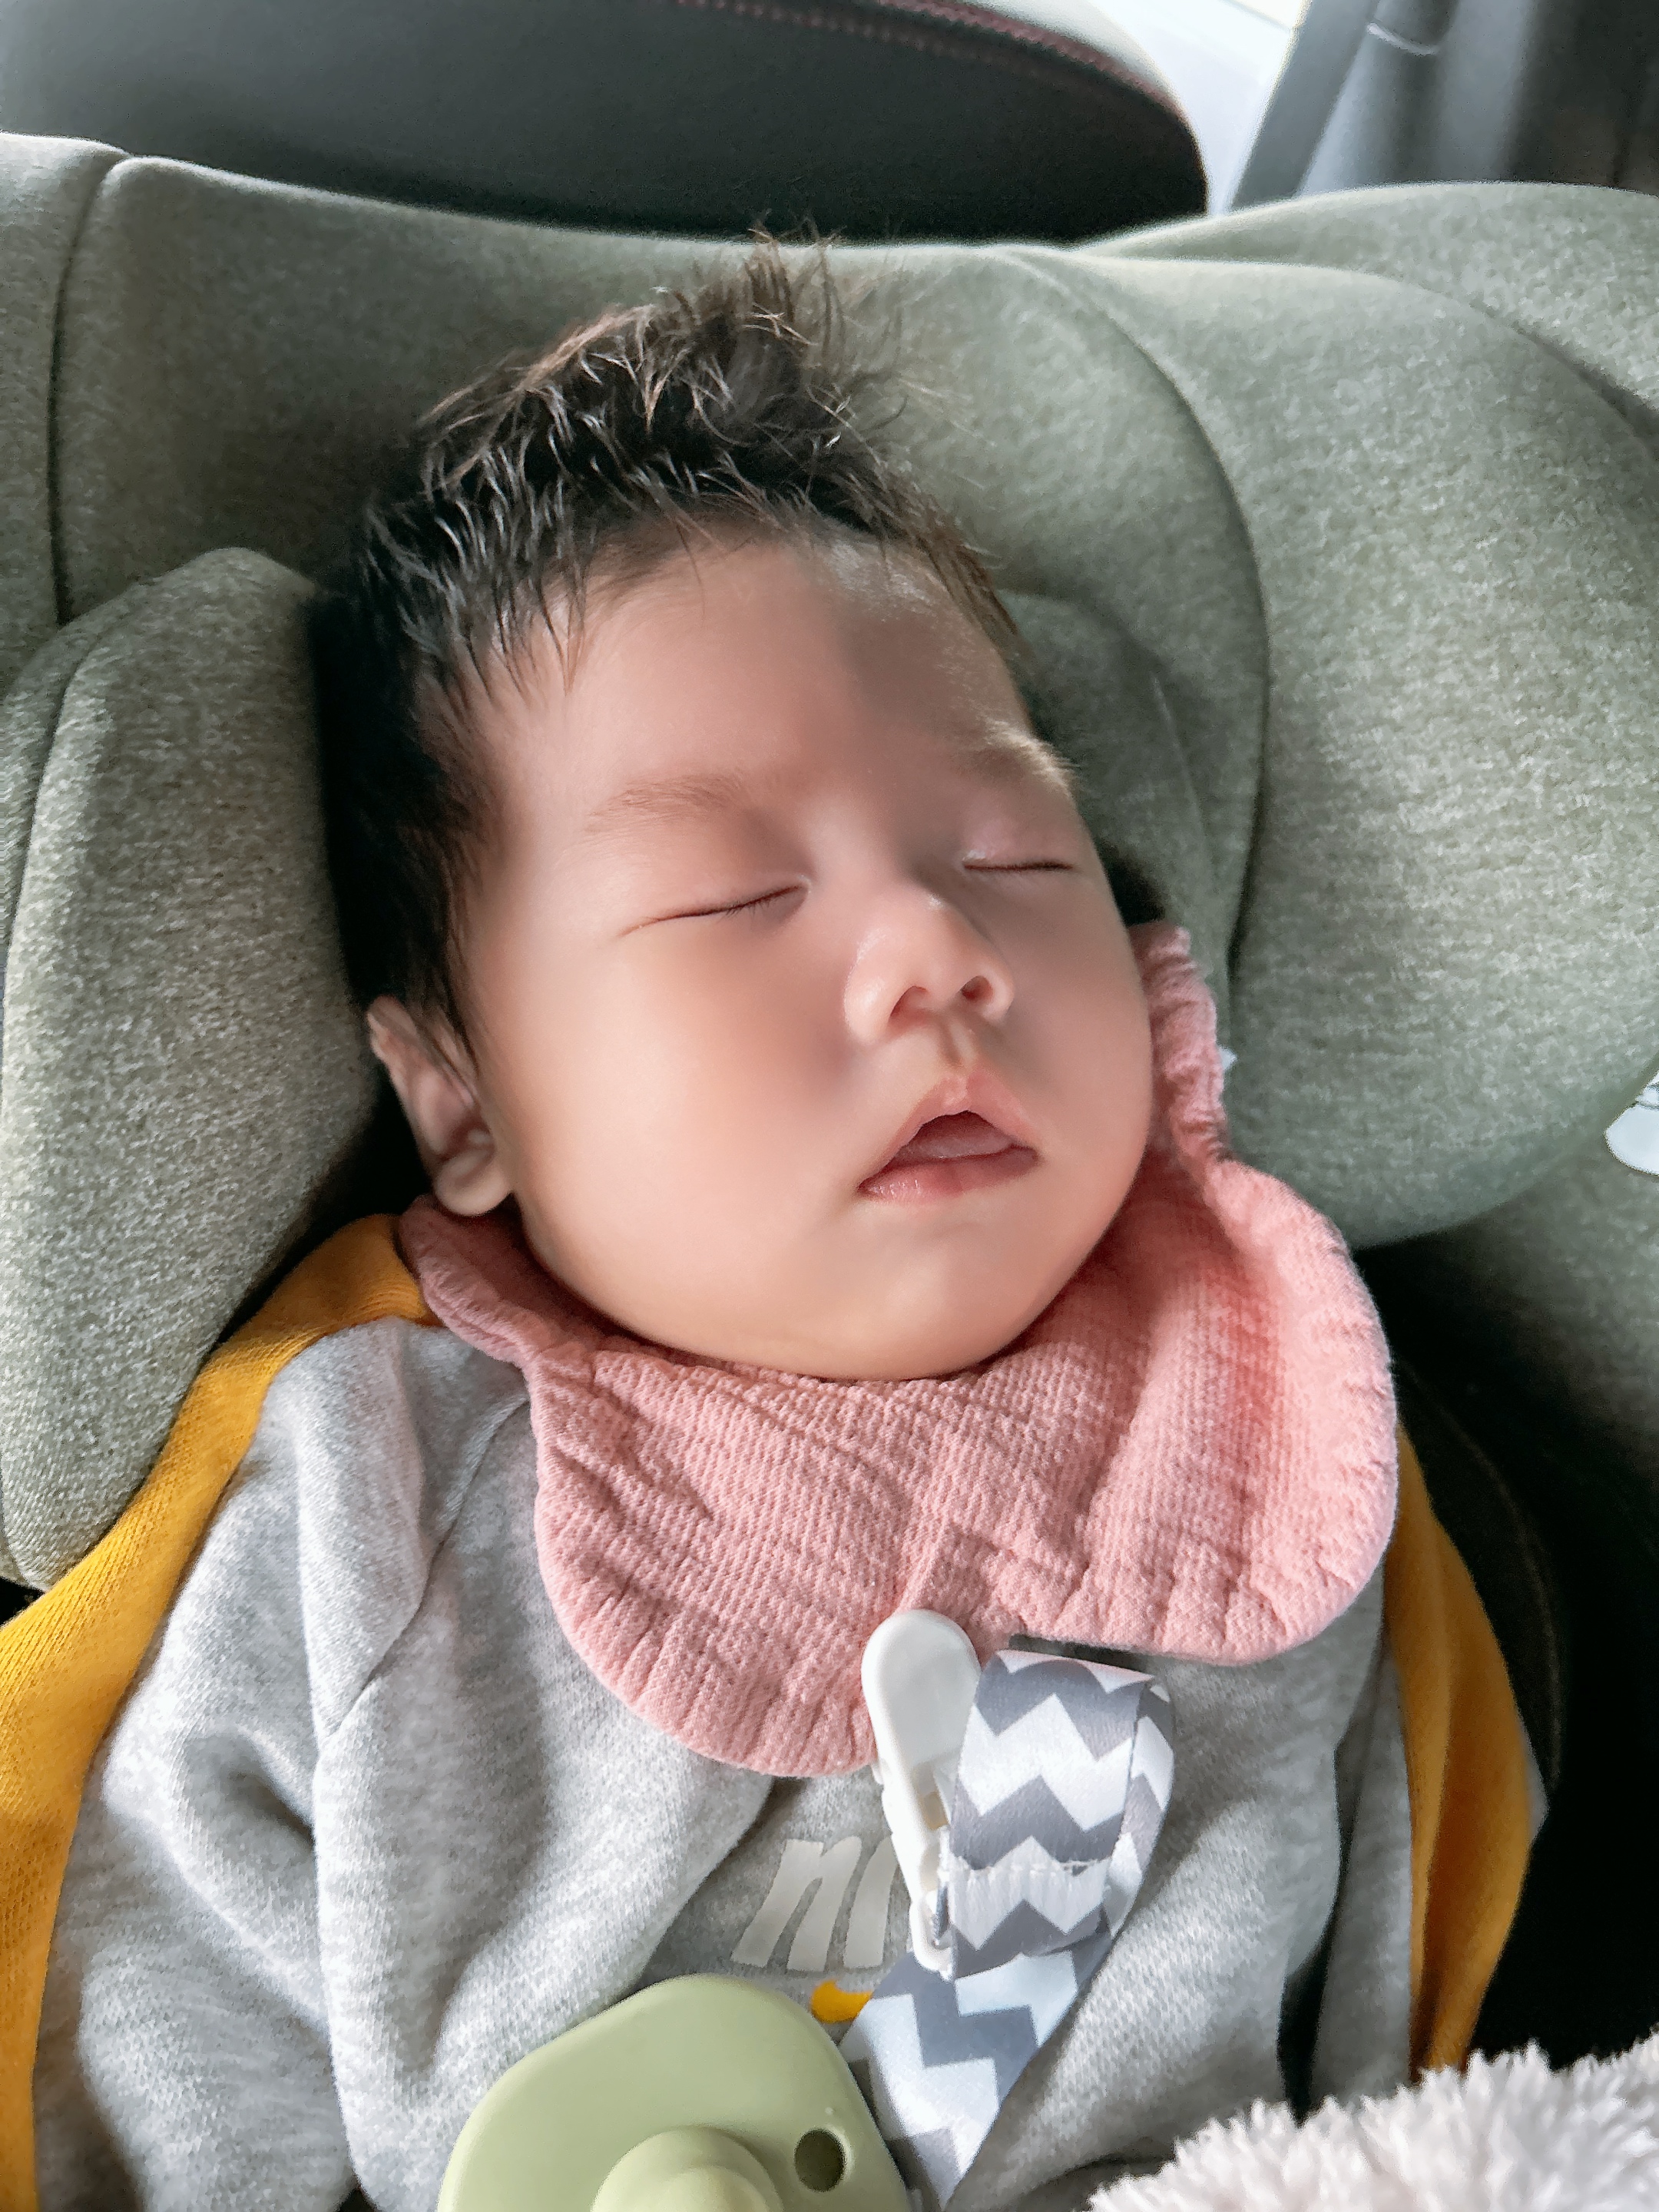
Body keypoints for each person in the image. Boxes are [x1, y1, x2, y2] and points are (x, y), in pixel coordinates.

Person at [30, 245, 1532, 2212]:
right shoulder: (363, 1512)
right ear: (462, 1098)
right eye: (740, 897)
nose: (934, 946)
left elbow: (1412, 2092)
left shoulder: (1276, 1449)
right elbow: (138, 2112)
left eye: (1011, 851)